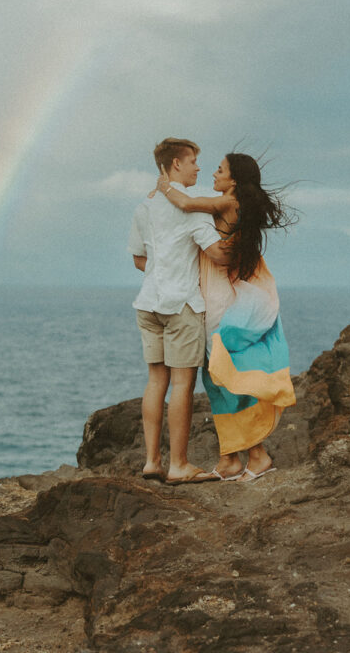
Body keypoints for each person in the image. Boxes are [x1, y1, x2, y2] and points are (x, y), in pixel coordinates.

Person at [156, 152, 296, 481]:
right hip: (217, 290)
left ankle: (258, 455)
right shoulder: (231, 202)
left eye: (220, 170)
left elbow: (188, 205)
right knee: (215, 376)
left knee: (224, 375)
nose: (213, 174)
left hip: (220, 296)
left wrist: (164, 186)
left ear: (233, 180)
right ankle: (230, 457)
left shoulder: (228, 202)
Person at [128, 137, 231, 485]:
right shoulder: (193, 208)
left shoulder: (145, 206)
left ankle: (152, 461)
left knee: (156, 380)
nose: (198, 168)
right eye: (193, 162)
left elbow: (139, 259)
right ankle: (179, 466)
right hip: (182, 305)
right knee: (182, 385)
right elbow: (217, 254)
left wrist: (164, 269)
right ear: (175, 164)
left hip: (148, 302)